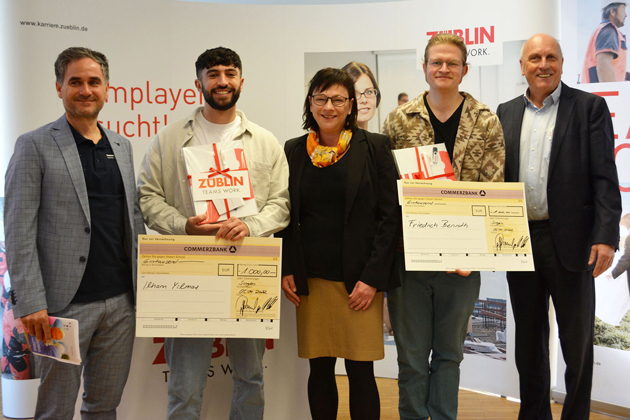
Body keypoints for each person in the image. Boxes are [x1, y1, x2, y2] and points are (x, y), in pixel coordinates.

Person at [137, 47, 289, 420]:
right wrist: (181, 224)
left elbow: (281, 203)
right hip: (190, 271)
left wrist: (251, 225)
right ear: (199, 82)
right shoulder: (168, 140)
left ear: (241, 80)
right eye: (214, 73)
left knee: (251, 378)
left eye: (230, 73)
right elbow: (148, 197)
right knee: (185, 385)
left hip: (248, 271)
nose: (222, 81)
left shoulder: (265, 141)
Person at [4, 47, 145, 419]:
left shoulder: (122, 146)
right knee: (55, 408)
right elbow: (18, 228)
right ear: (59, 87)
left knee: (104, 405)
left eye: (93, 82)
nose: (85, 90)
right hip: (59, 308)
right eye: (75, 82)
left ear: (107, 88)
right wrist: (30, 301)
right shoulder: (34, 145)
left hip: (120, 305)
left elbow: (132, 217)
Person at [497, 34, 622, 420]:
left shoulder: (589, 108)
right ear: (522, 66)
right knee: (529, 342)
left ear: (563, 63)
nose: (543, 64)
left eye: (551, 56)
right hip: (521, 240)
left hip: (573, 241)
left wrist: (605, 236)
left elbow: (605, 176)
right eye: (534, 58)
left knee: (576, 342)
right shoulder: (504, 113)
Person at [382, 33, 505, 420]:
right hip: (410, 259)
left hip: (462, 262)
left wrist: (476, 249)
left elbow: (494, 188)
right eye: (436, 62)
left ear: (464, 70)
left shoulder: (485, 120)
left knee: (449, 356)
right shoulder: (399, 120)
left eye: (452, 63)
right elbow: (386, 189)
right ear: (424, 68)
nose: (444, 69)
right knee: (412, 359)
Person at [280, 68, 400, 420]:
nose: (329, 107)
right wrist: (288, 268)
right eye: (321, 98)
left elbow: (389, 217)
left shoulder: (374, 147)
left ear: (351, 105)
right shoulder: (293, 150)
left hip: (359, 283)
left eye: (337, 99)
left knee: (361, 371)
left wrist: (373, 279)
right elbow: (285, 215)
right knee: (319, 371)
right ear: (310, 103)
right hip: (312, 282)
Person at [582, 1, 629, 83]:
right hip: (605, 93)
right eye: (623, 10)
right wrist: (612, 93)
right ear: (612, 12)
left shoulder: (604, 30)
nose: (626, 15)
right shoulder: (608, 31)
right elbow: (604, 65)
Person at [342, 61, 381, 131]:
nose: (364, 100)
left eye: (369, 92)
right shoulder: (336, 141)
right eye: (355, 94)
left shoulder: (377, 140)